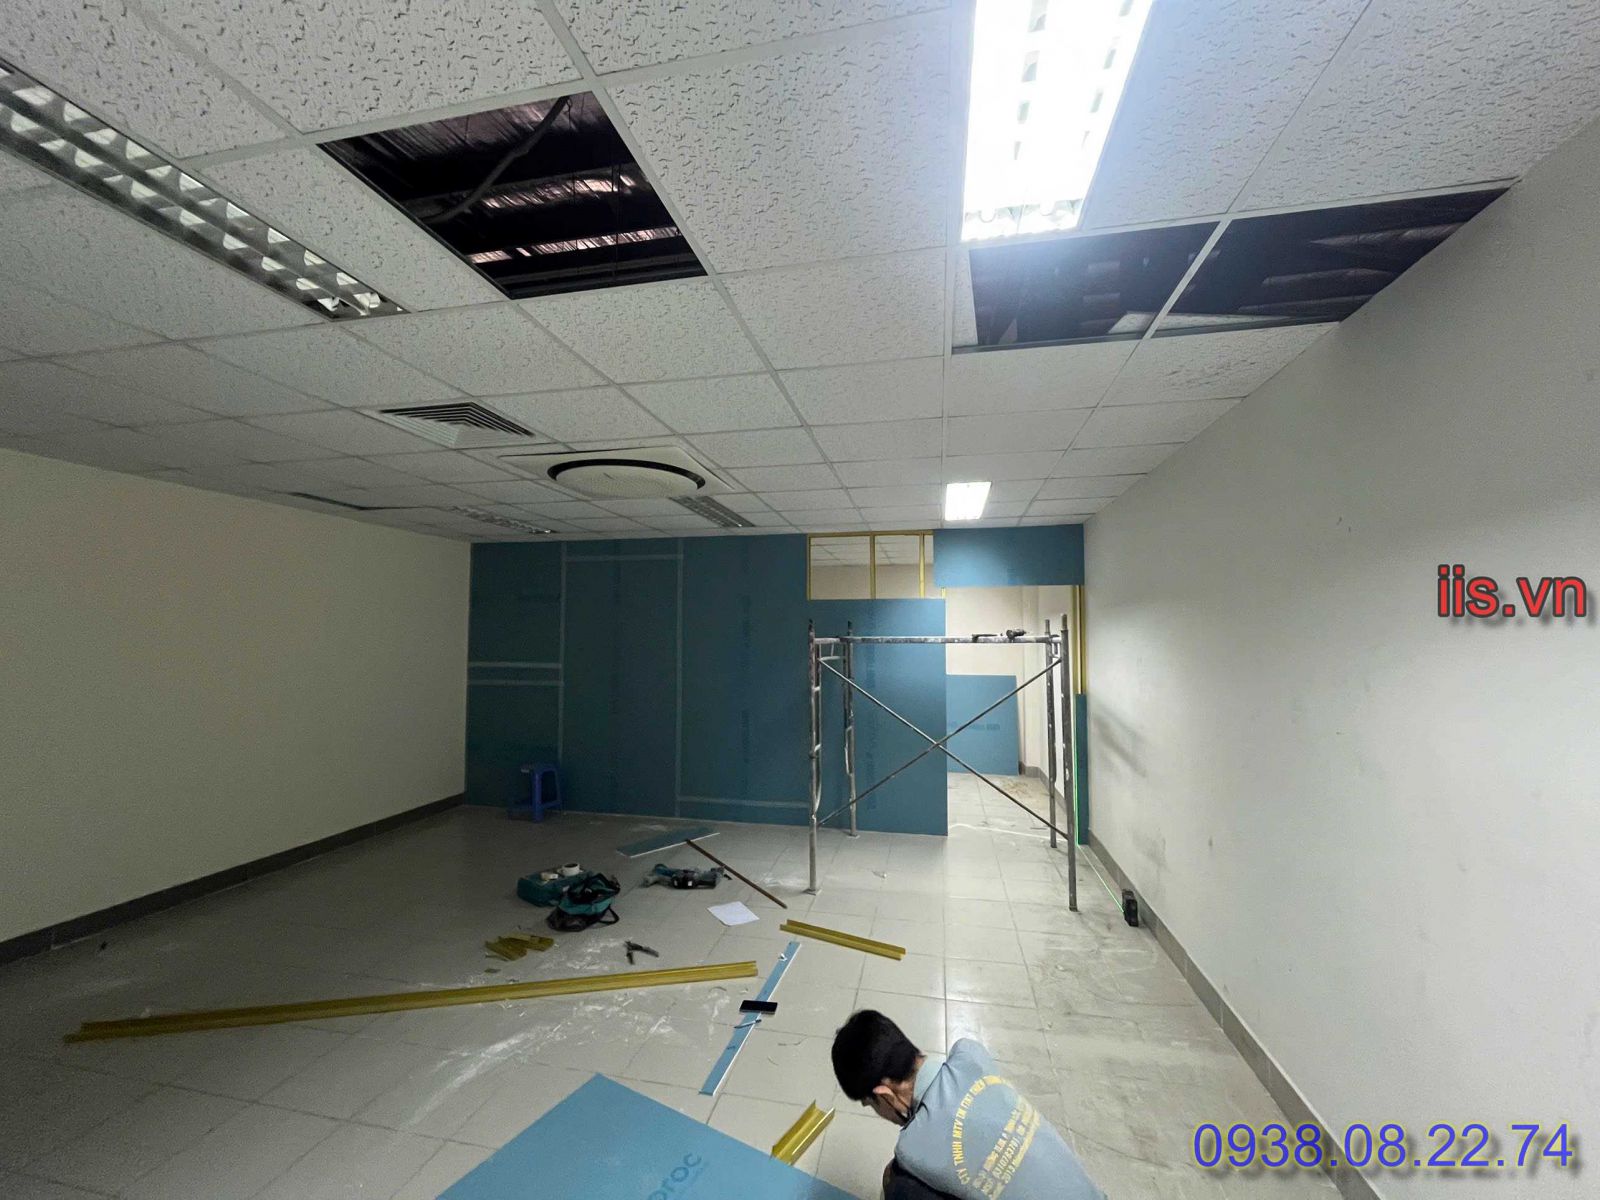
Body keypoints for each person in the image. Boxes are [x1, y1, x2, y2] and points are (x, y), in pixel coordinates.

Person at [831, 1009, 1105, 1200]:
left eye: (871, 1104)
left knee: (898, 1184)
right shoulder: (970, 1053)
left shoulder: (913, 1148)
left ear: (884, 1094)